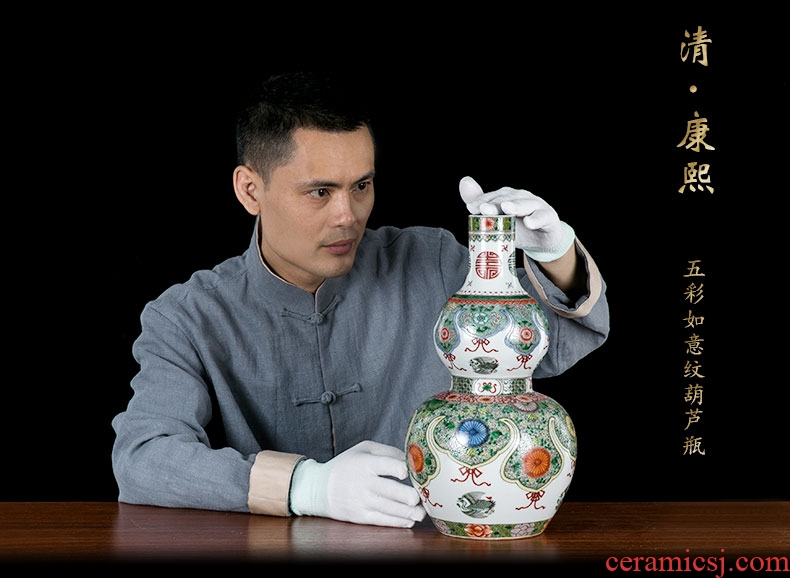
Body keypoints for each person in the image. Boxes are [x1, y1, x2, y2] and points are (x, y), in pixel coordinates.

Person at [111, 71, 609, 529]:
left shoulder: (431, 261)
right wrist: (305, 486)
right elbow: (143, 459)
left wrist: (555, 256)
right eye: (319, 192)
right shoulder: (187, 317)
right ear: (249, 190)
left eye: (362, 186)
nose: (347, 216)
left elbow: (555, 346)